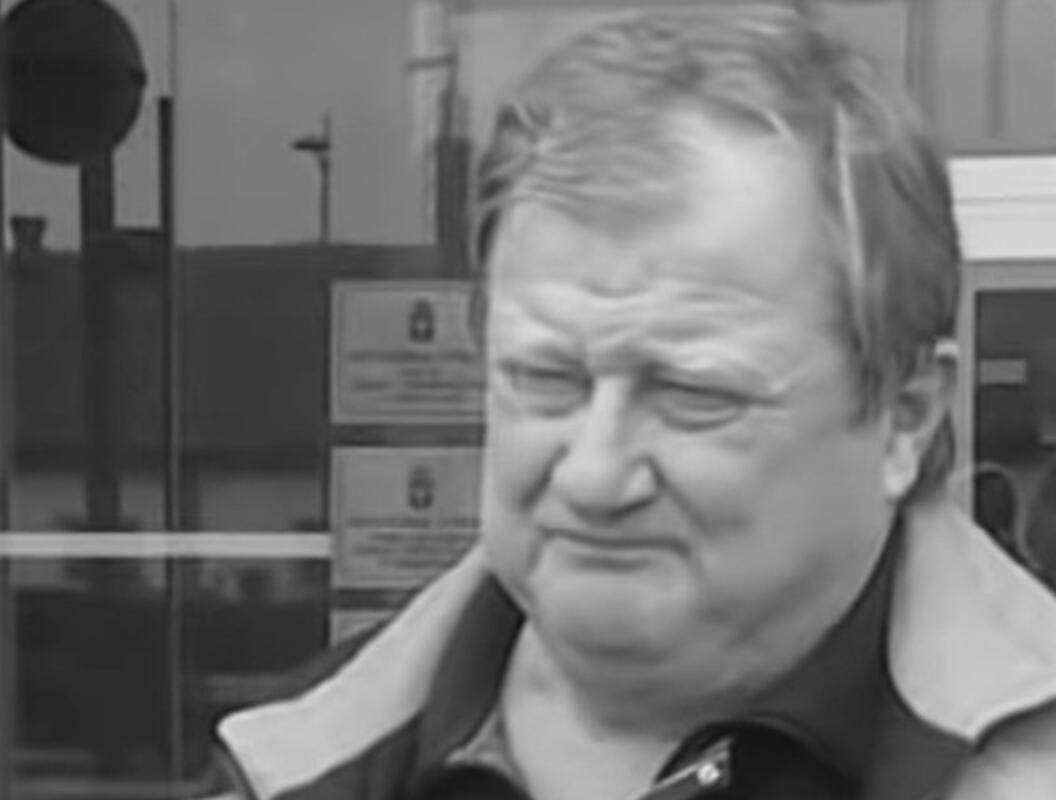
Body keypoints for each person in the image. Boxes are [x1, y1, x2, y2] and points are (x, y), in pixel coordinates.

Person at [210, 9, 1056, 800]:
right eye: (545, 378)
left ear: (905, 416)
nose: (594, 475)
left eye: (693, 394)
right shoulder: (293, 767)